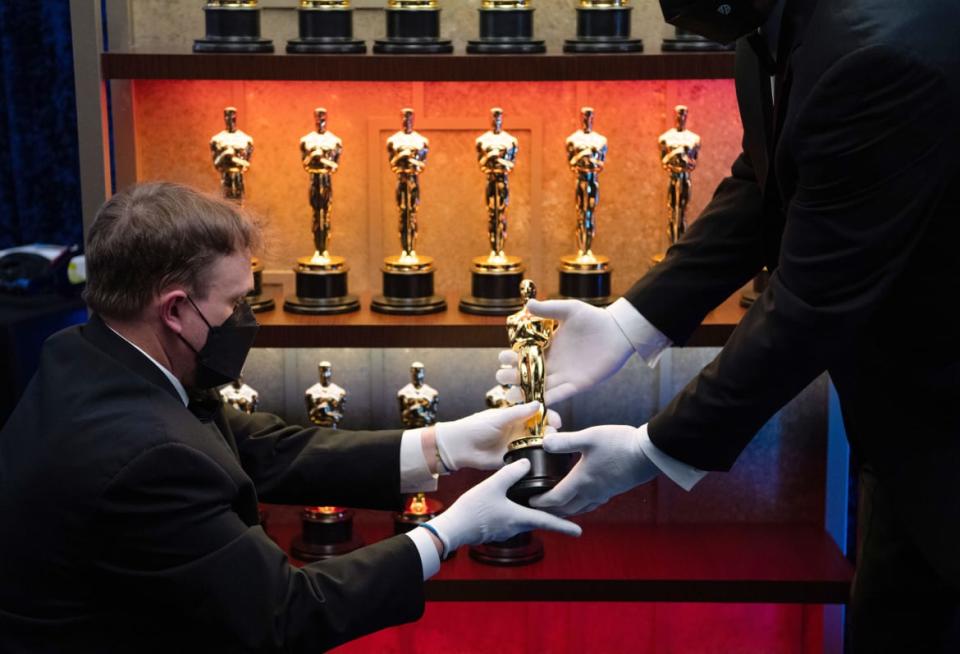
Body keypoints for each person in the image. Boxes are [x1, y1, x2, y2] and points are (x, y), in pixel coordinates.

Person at [498, 0, 960, 651]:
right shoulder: (768, 25)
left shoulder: (879, 52)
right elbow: (766, 184)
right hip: (906, 435)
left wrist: (652, 449)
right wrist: (629, 323)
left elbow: (811, 303)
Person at [0, 181, 579, 653]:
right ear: (175, 309)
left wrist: (442, 445)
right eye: (234, 303)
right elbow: (286, 614)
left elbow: (255, 446)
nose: (245, 318)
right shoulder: (144, 453)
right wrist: (448, 532)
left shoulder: (90, 356)